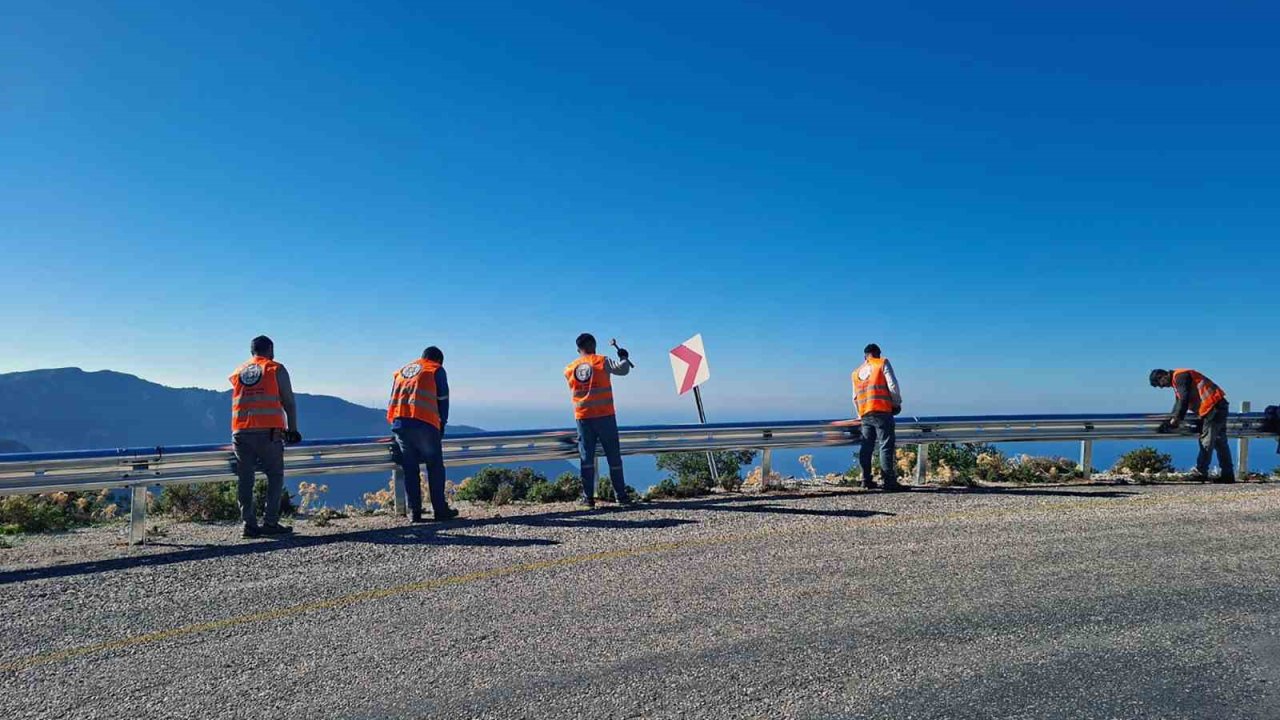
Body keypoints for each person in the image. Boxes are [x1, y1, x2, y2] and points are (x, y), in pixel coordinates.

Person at [229, 335, 301, 538]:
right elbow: (289, 401)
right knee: (275, 476)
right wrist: (293, 429)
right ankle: (270, 522)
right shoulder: (275, 368)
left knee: (245, 479)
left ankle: (249, 525)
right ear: (270, 349)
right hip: (268, 433)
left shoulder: (239, 371)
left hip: (241, 432)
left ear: (252, 351)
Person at [388, 346, 459, 522]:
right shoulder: (435, 369)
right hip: (425, 424)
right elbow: (443, 399)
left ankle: (415, 513)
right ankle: (440, 510)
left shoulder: (402, 371)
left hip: (401, 424)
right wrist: (442, 424)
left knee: (410, 469)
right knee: (434, 466)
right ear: (438, 360)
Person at [564, 333, 632, 507]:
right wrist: (623, 356)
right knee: (613, 457)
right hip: (605, 416)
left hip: (583, 418)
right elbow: (623, 370)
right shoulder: (602, 361)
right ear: (594, 345)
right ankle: (621, 497)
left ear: (578, 349)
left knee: (586, 458)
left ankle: (588, 498)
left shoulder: (570, 368)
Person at [1149, 368, 1235, 483]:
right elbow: (1179, 401)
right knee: (1220, 442)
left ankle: (1201, 472)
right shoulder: (1178, 379)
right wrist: (1173, 417)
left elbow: (1183, 399)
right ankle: (1228, 474)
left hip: (1212, 408)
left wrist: (1176, 419)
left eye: (1160, 384)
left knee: (1206, 441)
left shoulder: (1180, 377)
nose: (1162, 387)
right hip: (1218, 405)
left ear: (1162, 376)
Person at [853, 343, 904, 491]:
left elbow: (854, 397)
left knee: (866, 447)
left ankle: (865, 480)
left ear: (865, 356)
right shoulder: (882, 363)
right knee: (885, 445)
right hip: (882, 411)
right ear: (878, 354)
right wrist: (896, 403)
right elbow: (892, 386)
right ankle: (888, 481)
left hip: (865, 413)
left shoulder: (856, 372)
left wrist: (860, 414)